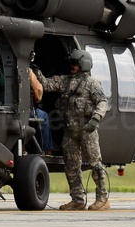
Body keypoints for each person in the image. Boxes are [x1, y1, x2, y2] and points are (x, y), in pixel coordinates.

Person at [34, 49, 109, 211]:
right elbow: (46, 85)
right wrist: (35, 70)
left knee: (95, 164)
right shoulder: (65, 81)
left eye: (75, 64)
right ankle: (77, 199)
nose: (72, 66)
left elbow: (102, 102)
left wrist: (95, 119)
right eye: (71, 64)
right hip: (70, 131)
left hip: (87, 130)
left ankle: (102, 197)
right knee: (71, 166)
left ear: (83, 65)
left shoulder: (92, 83)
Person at [29, 66, 53, 155]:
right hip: (25, 111)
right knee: (44, 116)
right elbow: (38, 92)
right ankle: (46, 148)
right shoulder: (27, 70)